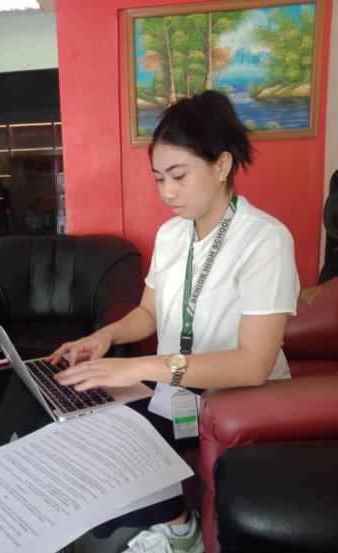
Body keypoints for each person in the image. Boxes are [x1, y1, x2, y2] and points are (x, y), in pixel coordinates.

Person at [47, 90, 300, 553]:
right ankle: (180, 523)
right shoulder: (171, 234)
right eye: (160, 178)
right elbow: (148, 313)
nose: (167, 192)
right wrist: (103, 337)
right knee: (81, 432)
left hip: (235, 396)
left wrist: (139, 368)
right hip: (176, 387)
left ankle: (180, 532)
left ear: (221, 165)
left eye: (179, 176)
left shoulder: (265, 240)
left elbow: (253, 365)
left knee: (111, 451)